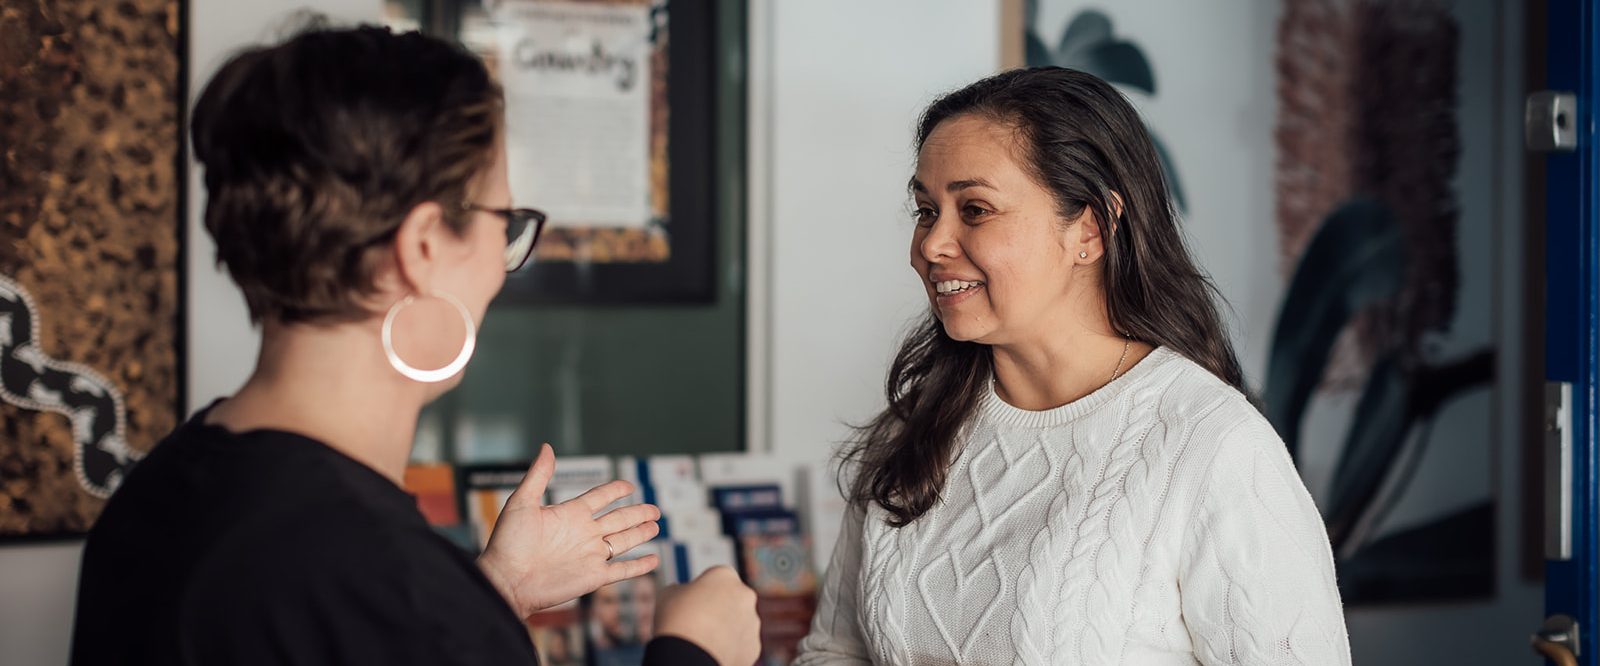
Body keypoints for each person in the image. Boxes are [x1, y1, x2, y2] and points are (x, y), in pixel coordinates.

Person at [68, 25, 759, 666]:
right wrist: (693, 649)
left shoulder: (159, 493)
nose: (503, 260)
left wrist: (496, 587)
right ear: (425, 246)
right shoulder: (393, 592)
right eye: (504, 222)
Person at [794, 67, 1350, 665]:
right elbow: (834, 651)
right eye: (927, 210)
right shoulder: (911, 434)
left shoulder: (1213, 447)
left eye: (975, 209)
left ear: (1090, 227)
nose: (931, 244)